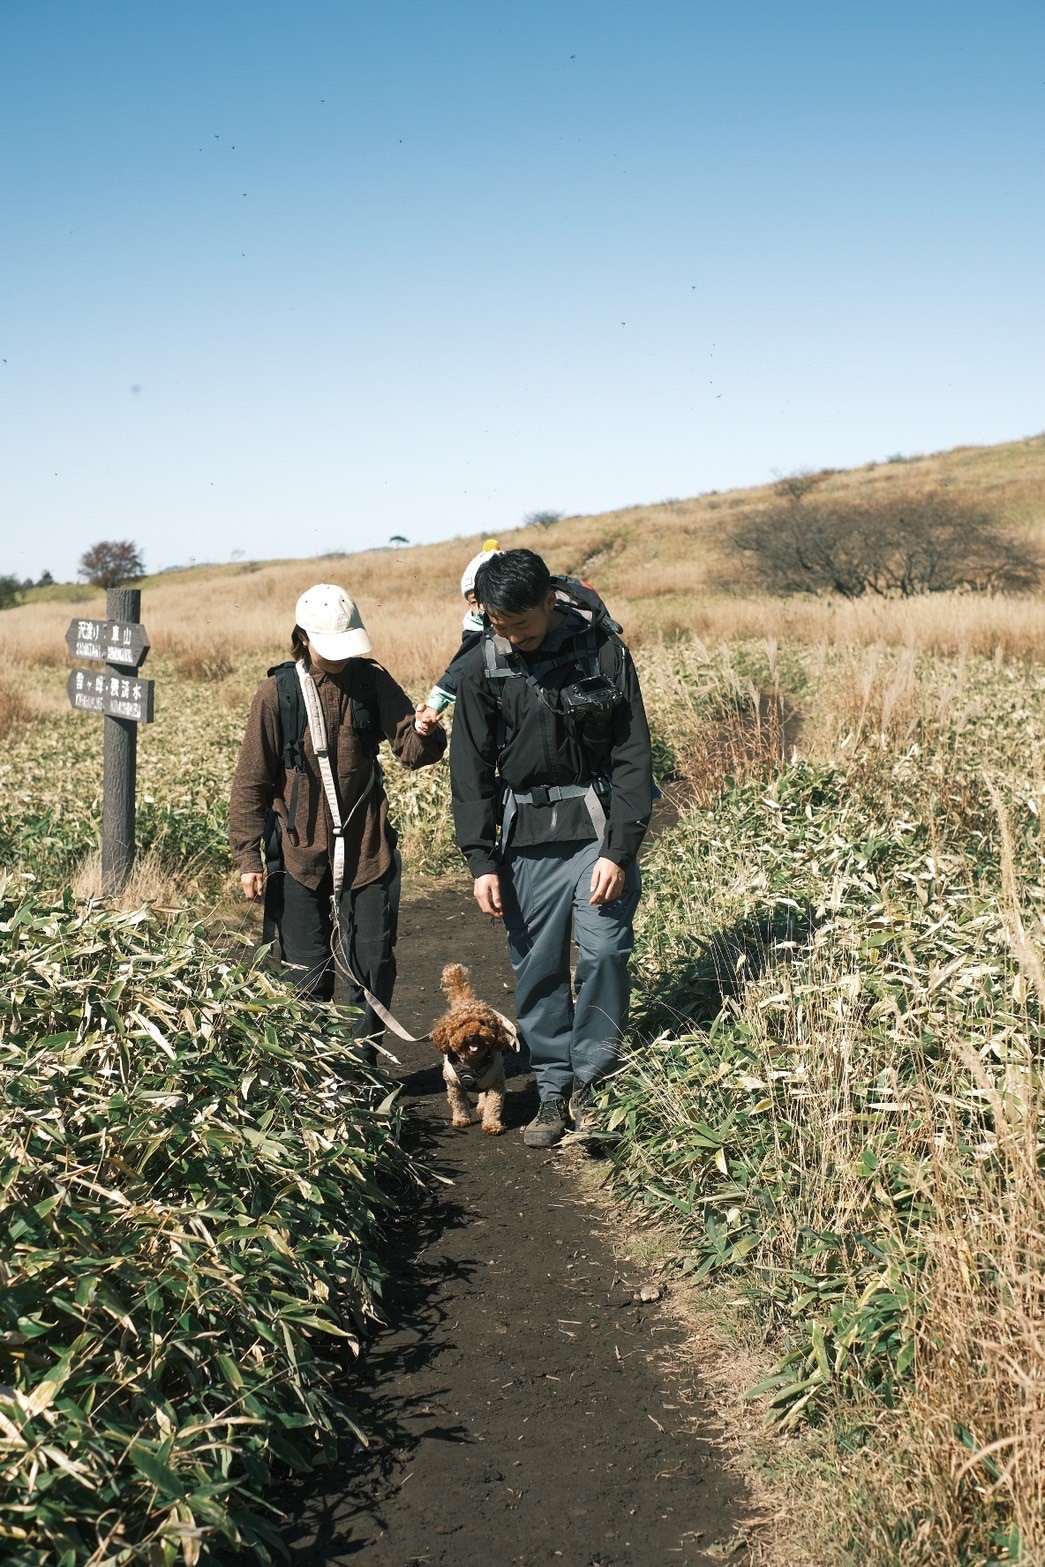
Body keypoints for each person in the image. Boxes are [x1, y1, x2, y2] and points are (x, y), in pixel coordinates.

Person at [448, 548, 653, 1146]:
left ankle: (592, 1083)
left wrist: (619, 850)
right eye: (500, 625)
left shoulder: (604, 651)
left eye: (523, 624)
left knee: (605, 952)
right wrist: (481, 860)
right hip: (524, 841)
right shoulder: (481, 664)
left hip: (596, 833)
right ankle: (553, 1090)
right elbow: (470, 771)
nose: (513, 637)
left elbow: (633, 754)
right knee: (537, 971)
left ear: (548, 601)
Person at [230, 583, 446, 1060]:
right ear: (303, 637)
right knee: (305, 976)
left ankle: (361, 1069)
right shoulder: (277, 694)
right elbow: (251, 781)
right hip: (298, 853)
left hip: (368, 848)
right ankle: (319, 1075)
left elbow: (411, 751)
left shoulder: (372, 682)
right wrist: (249, 857)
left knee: (372, 964)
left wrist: (426, 731)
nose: (341, 657)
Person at [414, 539, 502, 735]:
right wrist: (434, 705)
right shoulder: (477, 628)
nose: (480, 608)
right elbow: (461, 666)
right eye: (473, 602)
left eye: (484, 599)